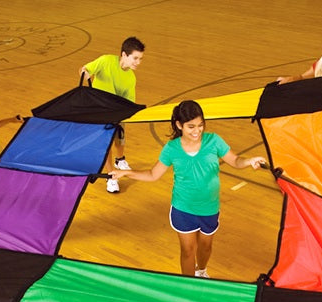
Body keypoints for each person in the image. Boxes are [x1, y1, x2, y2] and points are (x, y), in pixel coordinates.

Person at [110, 100, 266, 277]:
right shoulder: (172, 149)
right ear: (179, 125)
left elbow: (236, 161)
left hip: (209, 207)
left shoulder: (214, 141)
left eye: (200, 125)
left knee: (206, 247)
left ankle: (201, 271)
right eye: (191, 126)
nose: (197, 131)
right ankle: (189, 284)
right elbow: (153, 174)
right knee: (187, 250)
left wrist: (249, 161)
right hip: (183, 208)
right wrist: (126, 173)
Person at [79, 36, 145, 193]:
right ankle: (111, 176)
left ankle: (120, 159)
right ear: (124, 55)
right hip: (98, 111)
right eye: (135, 58)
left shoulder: (130, 78)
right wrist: (85, 73)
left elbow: (128, 102)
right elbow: (84, 69)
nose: (138, 62)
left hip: (116, 111)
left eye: (140, 59)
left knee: (120, 139)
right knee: (106, 145)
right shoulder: (105, 61)